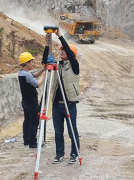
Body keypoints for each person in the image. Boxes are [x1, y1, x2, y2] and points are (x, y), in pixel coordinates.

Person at [42, 28, 81, 164]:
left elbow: (70, 55)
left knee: (72, 132)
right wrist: (47, 45)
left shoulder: (74, 66)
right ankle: (59, 154)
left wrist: (60, 37)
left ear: (71, 53)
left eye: (65, 49)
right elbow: (44, 61)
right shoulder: (57, 65)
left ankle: (75, 154)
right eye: (61, 49)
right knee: (58, 132)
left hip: (69, 104)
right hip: (57, 106)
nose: (62, 51)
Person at [18, 52, 45, 148]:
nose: (33, 63)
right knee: (34, 121)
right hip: (32, 102)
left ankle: (26, 140)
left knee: (27, 121)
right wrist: (43, 76)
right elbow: (37, 84)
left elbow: (34, 75)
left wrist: (43, 69)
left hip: (25, 101)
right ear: (27, 63)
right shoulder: (27, 75)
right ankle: (33, 142)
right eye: (32, 62)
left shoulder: (22, 73)